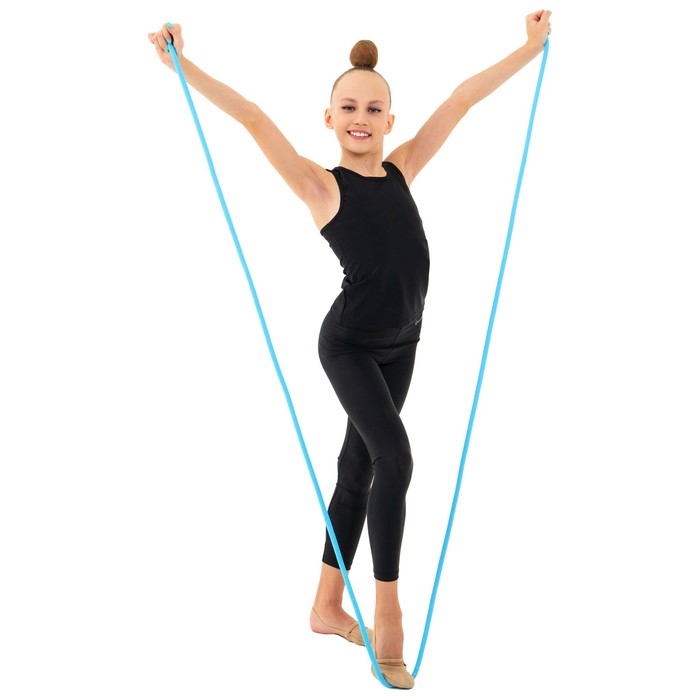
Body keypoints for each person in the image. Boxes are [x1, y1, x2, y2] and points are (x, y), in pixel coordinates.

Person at [148, 11, 552, 689]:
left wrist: (529, 49)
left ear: (390, 120)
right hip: (349, 346)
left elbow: (461, 100)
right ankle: (389, 615)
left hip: (403, 343)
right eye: (348, 108)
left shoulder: (402, 168)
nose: (360, 118)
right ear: (329, 119)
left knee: (358, 467)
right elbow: (252, 118)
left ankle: (326, 606)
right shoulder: (321, 186)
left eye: (372, 108)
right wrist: (181, 67)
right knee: (395, 457)